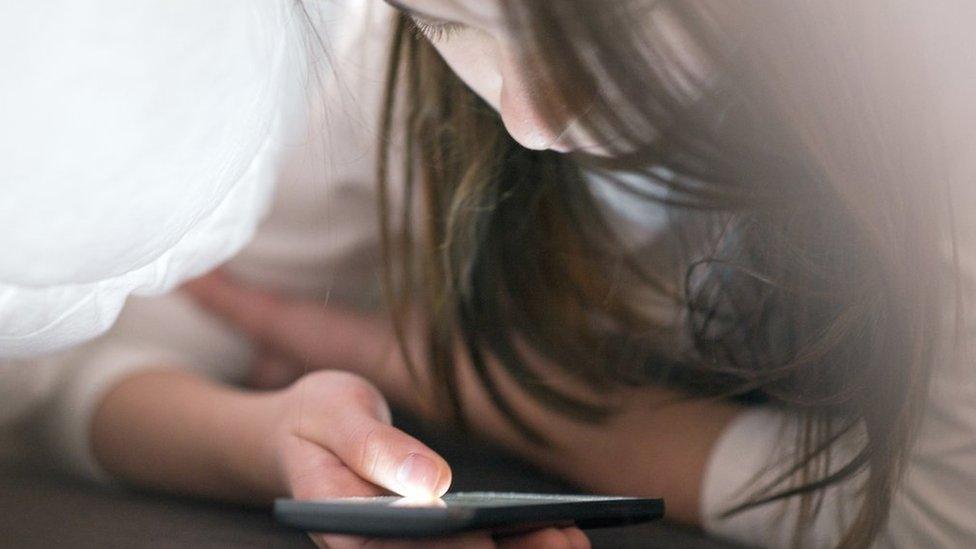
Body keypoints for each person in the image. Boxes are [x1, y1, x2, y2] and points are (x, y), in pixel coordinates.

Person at [3, 2, 975, 549]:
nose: (529, 120)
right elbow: (54, 377)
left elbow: (937, 516)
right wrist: (273, 437)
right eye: (447, 24)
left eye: (606, 22)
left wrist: (476, 387)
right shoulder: (364, 63)